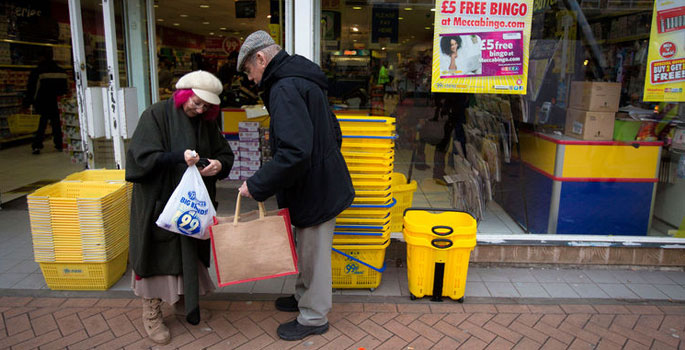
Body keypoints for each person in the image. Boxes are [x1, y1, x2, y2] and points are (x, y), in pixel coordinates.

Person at [235, 30, 354, 341]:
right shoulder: (301, 78)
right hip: (319, 181)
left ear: (261, 58)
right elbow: (333, 131)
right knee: (307, 248)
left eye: (249, 70)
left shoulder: (285, 88)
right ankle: (303, 297)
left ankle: (313, 317)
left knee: (314, 254)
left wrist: (257, 184)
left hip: (314, 186)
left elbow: (294, 151)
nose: (251, 79)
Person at [125, 70, 234, 345]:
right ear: (183, 94)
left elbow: (224, 152)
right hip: (158, 200)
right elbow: (140, 158)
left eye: (206, 106)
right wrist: (178, 157)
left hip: (190, 205)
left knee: (188, 252)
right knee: (155, 254)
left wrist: (219, 165)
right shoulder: (155, 114)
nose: (199, 109)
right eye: (196, 102)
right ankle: (151, 312)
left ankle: (185, 301)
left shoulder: (205, 123)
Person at [24, 51, 68, 155]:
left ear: (42, 57)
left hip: (43, 103)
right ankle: (60, 144)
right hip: (58, 102)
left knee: (41, 125)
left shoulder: (38, 71)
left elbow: (33, 89)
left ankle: (37, 145)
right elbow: (65, 89)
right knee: (57, 124)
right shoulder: (62, 71)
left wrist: (28, 102)